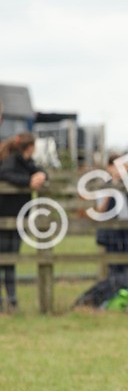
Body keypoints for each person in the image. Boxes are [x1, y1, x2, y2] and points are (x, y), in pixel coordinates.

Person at [0, 133, 47, 312]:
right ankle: (8, 301)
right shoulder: (12, 161)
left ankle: (11, 301)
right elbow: (4, 174)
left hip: (18, 218)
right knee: (4, 260)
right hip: (5, 218)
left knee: (10, 261)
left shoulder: (26, 163)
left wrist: (41, 176)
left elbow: (40, 171)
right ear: (30, 147)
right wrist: (28, 181)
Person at [95, 154, 128, 281]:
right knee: (113, 264)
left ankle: (124, 289)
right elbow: (100, 210)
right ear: (109, 167)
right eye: (117, 166)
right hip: (111, 230)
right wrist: (112, 189)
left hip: (127, 229)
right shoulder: (104, 186)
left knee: (126, 263)